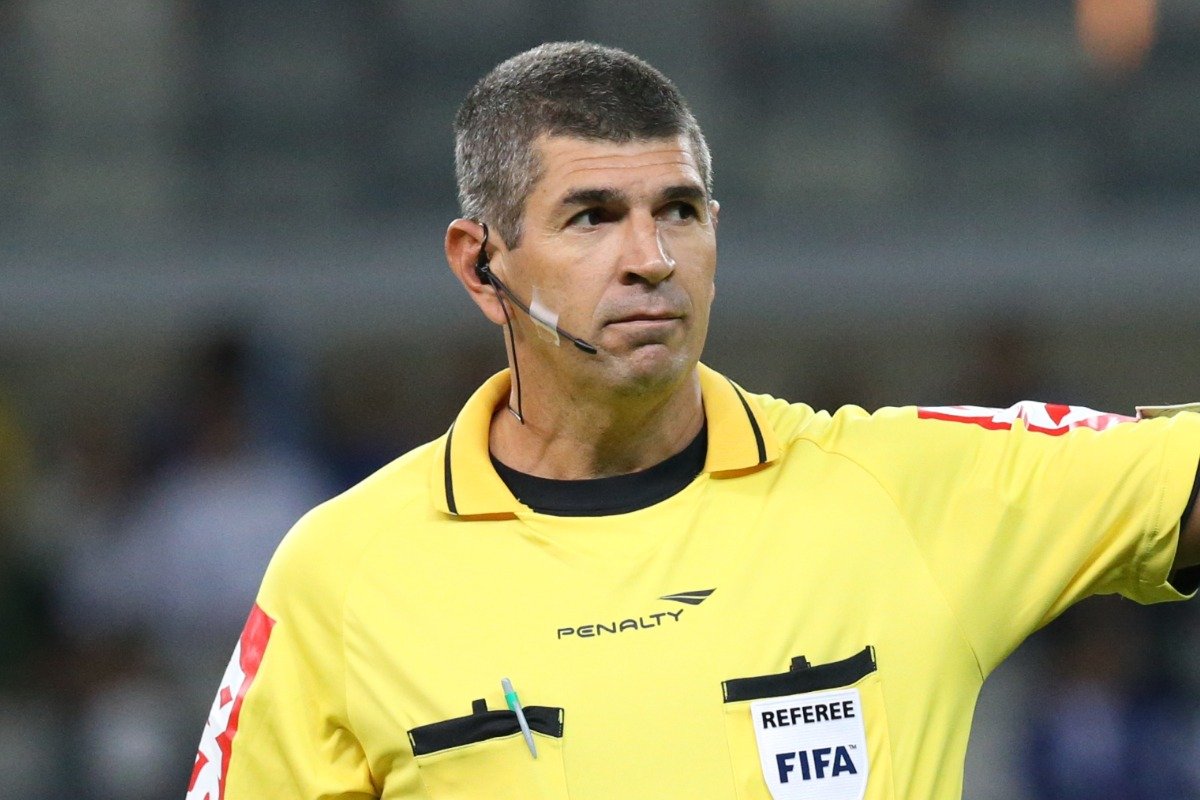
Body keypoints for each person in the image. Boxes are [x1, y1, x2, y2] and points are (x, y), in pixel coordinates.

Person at [186, 41, 1200, 800]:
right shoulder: (344, 572)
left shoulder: (898, 490)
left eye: (679, 209)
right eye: (593, 217)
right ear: (479, 264)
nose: (651, 257)